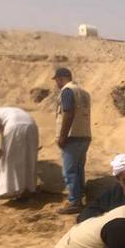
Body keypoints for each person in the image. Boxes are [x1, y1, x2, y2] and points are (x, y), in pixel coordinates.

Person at [0, 106, 39, 207]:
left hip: (14, 126)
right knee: (29, 160)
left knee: (4, 161)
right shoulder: (8, 110)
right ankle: (28, 194)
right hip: (32, 125)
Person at [53, 67, 91, 215]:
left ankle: (74, 201)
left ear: (61, 78)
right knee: (78, 168)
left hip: (72, 136)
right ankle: (79, 196)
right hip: (85, 135)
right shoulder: (83, 92)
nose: (56, 83)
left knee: (70, 170)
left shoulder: (67, 91)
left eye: (56, 80)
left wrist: (63, 136)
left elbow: (68, 113)